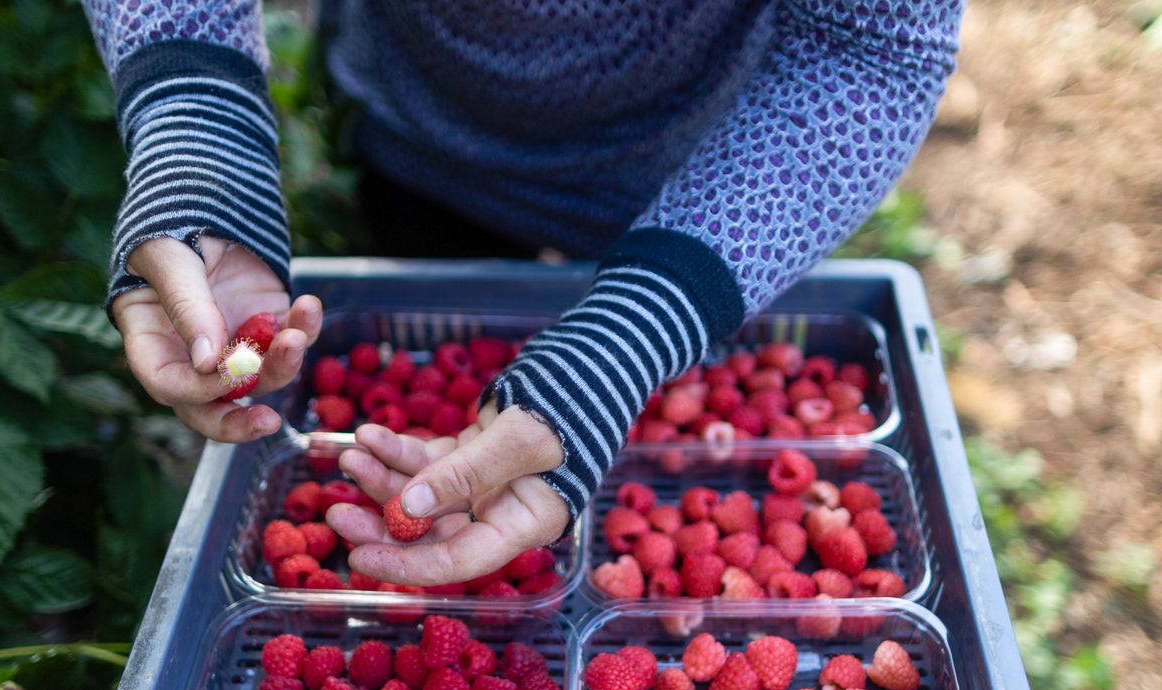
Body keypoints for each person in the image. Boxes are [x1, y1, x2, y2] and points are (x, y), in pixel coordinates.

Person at [82, 0, 964, 587]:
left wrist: (633, 332)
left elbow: (870, 45)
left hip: (710, 165)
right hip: (418, 127)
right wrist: (198, 125)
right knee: (422, 240)